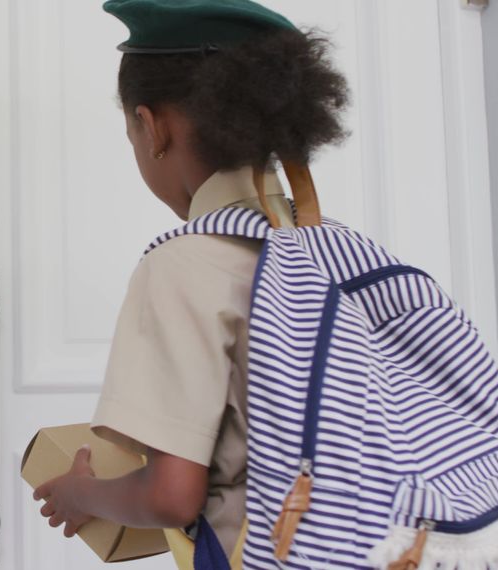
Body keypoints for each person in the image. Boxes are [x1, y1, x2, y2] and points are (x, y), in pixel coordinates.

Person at [32, 0, 349, 567]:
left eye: (133, 132)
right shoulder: (335, 247)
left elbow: (173, 495)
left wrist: (79, 492)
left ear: (153, 128)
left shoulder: (185, 264)